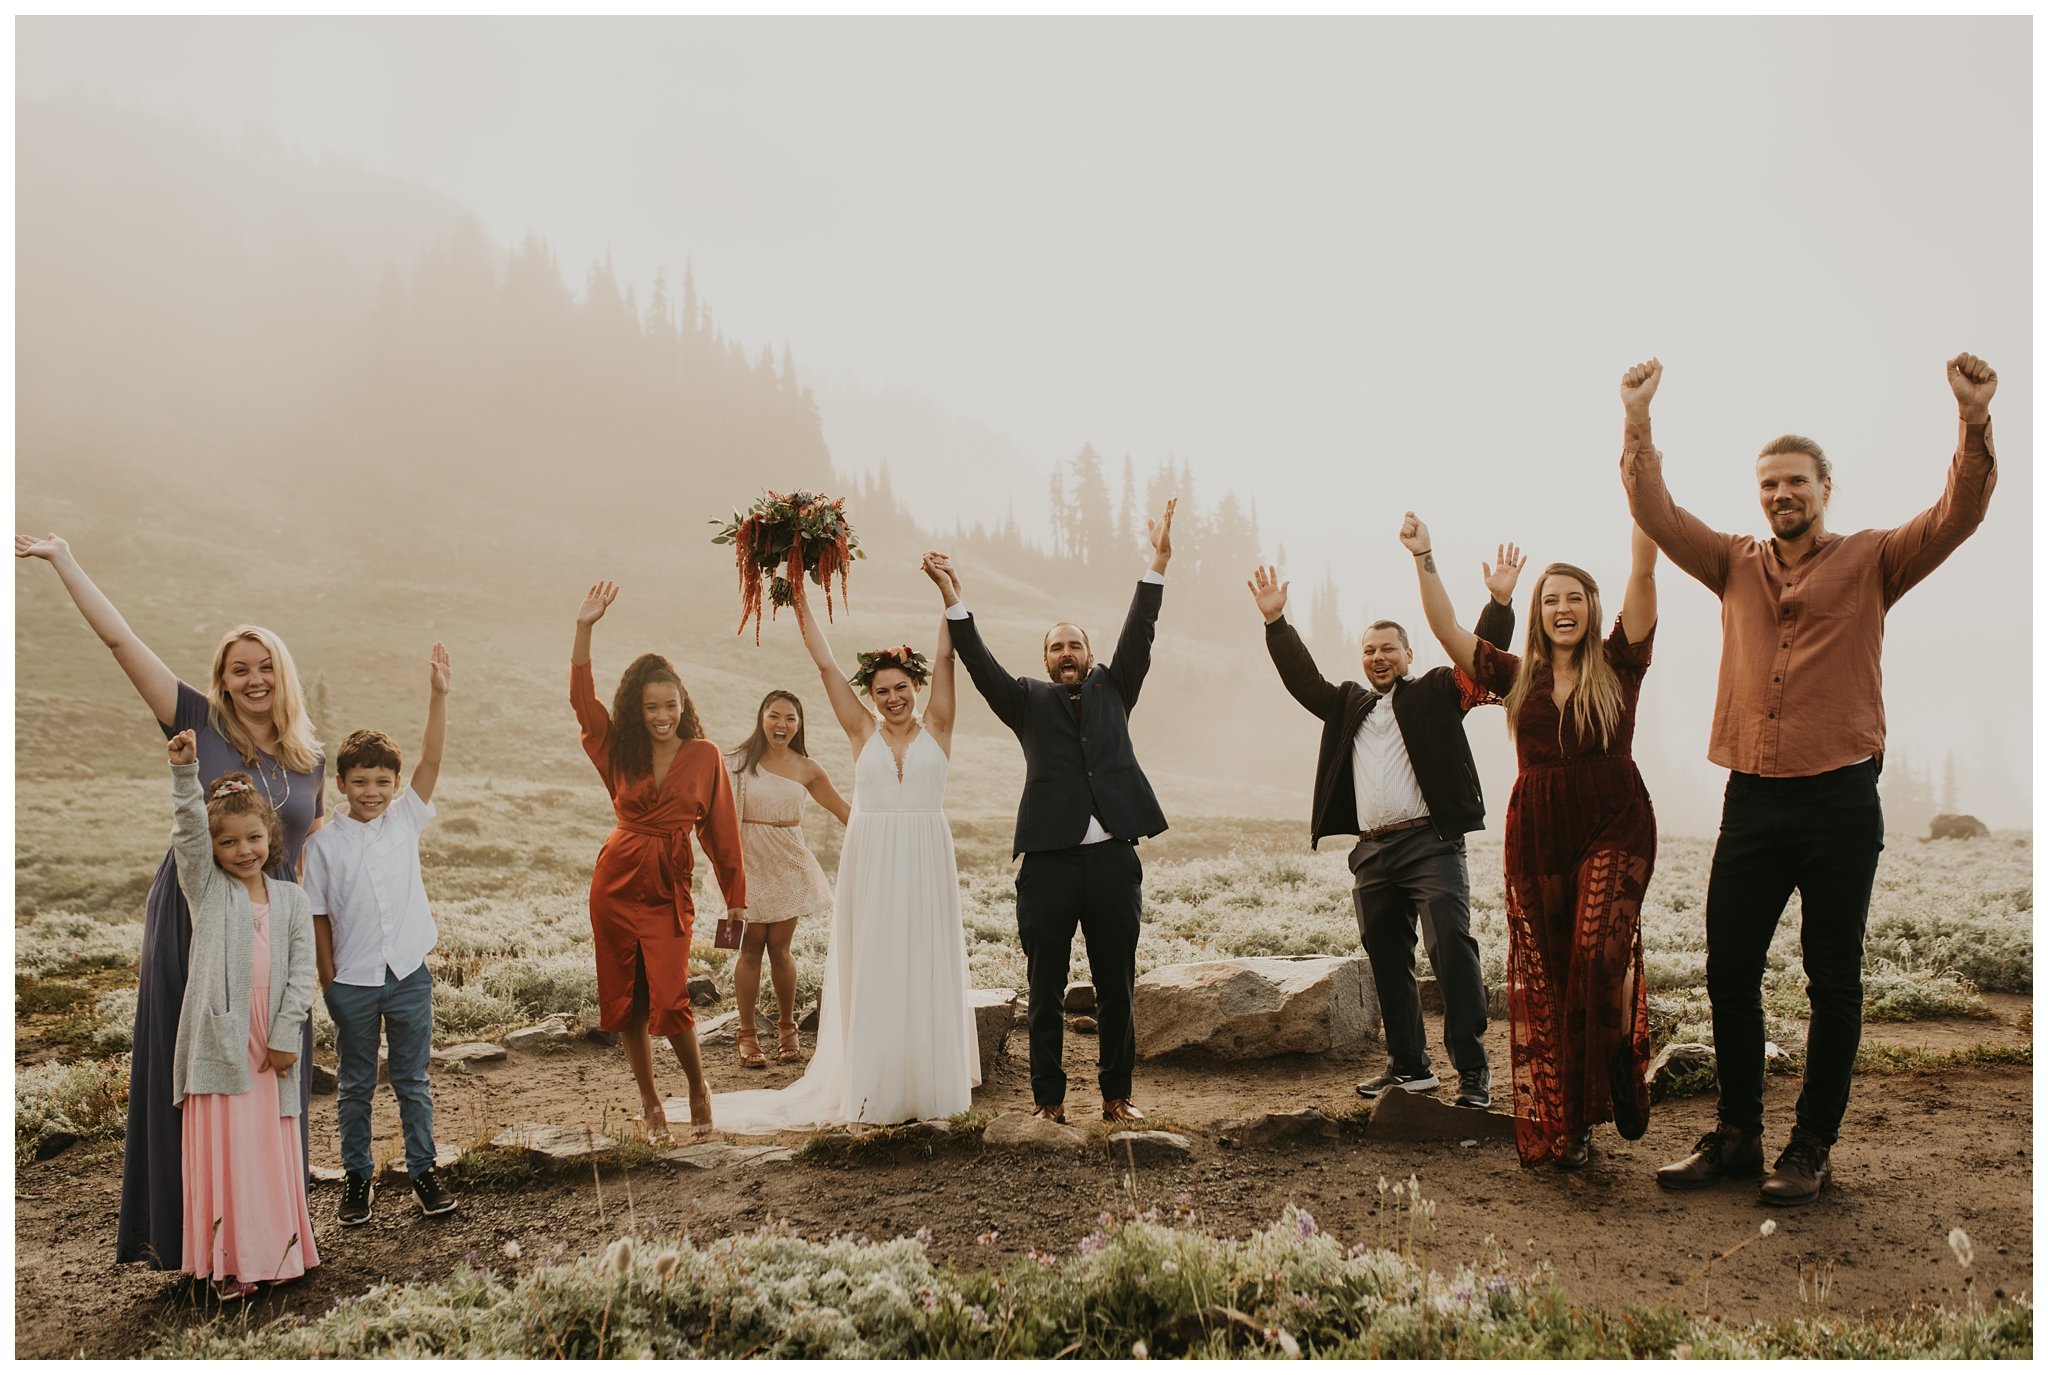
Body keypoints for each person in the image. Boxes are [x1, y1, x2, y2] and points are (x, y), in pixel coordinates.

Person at [1622, 354, 2000, 1205]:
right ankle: (1739, 1135)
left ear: (1826, 487)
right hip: (1752, 798)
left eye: (1795, 480)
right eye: (1768, 483)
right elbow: (1653, 508)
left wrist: (1972, 423)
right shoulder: (1729, 561)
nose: (1781, 493)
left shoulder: (1874, 559)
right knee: (1729, 968)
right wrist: (1637, 419)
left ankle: (1811, 1148)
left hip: (1838, 801)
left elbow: (1957, 514)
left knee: (1832, 977)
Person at [16, 533, 324, 1269]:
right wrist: (63, 558)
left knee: (274, 1075)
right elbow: (120, 641)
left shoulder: (311, 757)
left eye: (265, 668)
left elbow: (305, 858)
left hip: (272, 926)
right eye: (238, 669)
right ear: (221, 678)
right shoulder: (193, 715)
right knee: (193, 1083)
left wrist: (317, 958)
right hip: (193, 918)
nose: (253, 680)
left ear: (283, 676)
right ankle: (192, 1239)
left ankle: (272, 1233)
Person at [1406, 512, 1660, 1169]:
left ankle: (1622, 1071)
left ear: (1593, 607)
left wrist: (1644, 498)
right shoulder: (1519, 676)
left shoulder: (1622, 661)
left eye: (1575, 597)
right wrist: (1425, 555)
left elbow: (1643, 568)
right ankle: (1571, 1126)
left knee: (1599, 954)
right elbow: (1445, 629)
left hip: (1615, 819)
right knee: (1551, 980)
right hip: (1540, 831)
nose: (1563, 607)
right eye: (1551, 599)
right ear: (1539, 614)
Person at [929, 499, 1176, 1126]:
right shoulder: (1026, 701)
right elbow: (979, 664)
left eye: (1075, 644)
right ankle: (1049, 1102)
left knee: (1117, 987)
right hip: (1048, 864)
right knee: (1045, 990)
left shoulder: (1116, 687)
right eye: (1057, 646)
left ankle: (1117, 1098)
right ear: (1045, 659)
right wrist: (953, 598)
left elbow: (1140, 632)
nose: (1067, 652)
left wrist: (1159, 561)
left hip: (1114, 859)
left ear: (1089, 653)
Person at [1247, 552, 1519, 1111]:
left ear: (1408, 654)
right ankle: (1410, 1068)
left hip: (1431, 845)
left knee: (1452, 951)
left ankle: (1472, 1072)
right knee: (1388, 959)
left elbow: (1480, 662)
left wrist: (1499, 603)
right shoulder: (1349, 704)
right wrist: (1276, 622)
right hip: (1371, 852)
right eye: (1369, 650)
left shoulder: (1437, 691)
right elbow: (1303, 681)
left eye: (1388, 648)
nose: (1377, 657)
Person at [712, 564, 978, 1131]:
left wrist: (948, 595)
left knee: (924, 957)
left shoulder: (940, 725)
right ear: (872, 697)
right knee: (877, 960)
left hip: (927, 852)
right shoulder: (861, 731)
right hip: (874, 857)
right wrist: (801, 600)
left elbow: (950, 658)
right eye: (881, 692)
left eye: (901, 688)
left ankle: (927, 1083)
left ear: (915, 688)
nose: (892, 699)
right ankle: (874, 1083)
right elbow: (826, 664)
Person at [570, 581, 747, 1144]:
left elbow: (721, 832)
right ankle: (649, 1103)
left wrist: (736, 899)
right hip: (616, 884)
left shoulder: (704, 755)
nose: (662, 716)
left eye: (670, 705)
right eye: (651, 707)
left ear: (683, 704)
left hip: (669, 887)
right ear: (635, 709)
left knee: (671, 997)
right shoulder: (619, 745)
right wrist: (584, 629)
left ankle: (697, 1089)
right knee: (628, 999)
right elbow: (581, 702)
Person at [301, 644, 458, 1227]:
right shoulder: (322, 845)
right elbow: (318, 914)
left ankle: (423, 1171)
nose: (372, 791)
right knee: (356, 1085)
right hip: (354, 982)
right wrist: (328, 980)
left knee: (414, 1081)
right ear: (341, 782)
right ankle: (357, 1178)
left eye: (382, 781)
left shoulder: (405, 818)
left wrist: (439, 695)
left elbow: (432, 759)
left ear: (395, 785)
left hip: (409, 974)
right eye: (361, 781)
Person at [165, 728, 319, 1300]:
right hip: (220, 1039)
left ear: (270, 838)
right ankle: (231, 1265)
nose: (243, 851)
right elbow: (186, 832)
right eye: (228, 843)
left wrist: (286, 1036)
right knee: (228, 1151)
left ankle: (280, 1252)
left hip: (270, 1040)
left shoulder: (293, 901)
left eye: (253, 838)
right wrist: (186, 775)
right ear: (215, 850)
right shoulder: (207, 890)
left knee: (266, 1150)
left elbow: (301, 974)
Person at [723, 690, 849, 1068]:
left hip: (788, 863)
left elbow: (844, 809)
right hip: (746, 864)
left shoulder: (807, 768)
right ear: (761, 718)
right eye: (774, 716)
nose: (782, 724)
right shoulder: (736, 763)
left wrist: (888, 831)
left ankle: (787, 1028)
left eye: (790, 718)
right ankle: (746, 1034)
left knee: (780, 949)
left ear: (799, 723)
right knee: (749, 950)